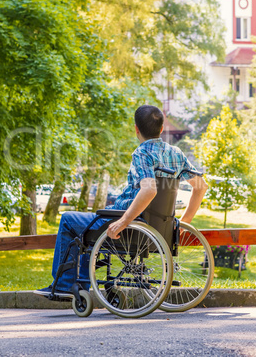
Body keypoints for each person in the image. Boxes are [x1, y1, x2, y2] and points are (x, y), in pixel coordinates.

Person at [34, 105, 208, 297]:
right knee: (88, 225)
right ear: (161, 128)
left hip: (129, 223)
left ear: (136, 129)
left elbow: (149, 190)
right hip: (158, 228)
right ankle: (81, 285)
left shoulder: (142, 153)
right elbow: (201, 187)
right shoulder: (176, 154)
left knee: (68, 219)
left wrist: (123, 221)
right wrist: (183, 224)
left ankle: (64, 286)